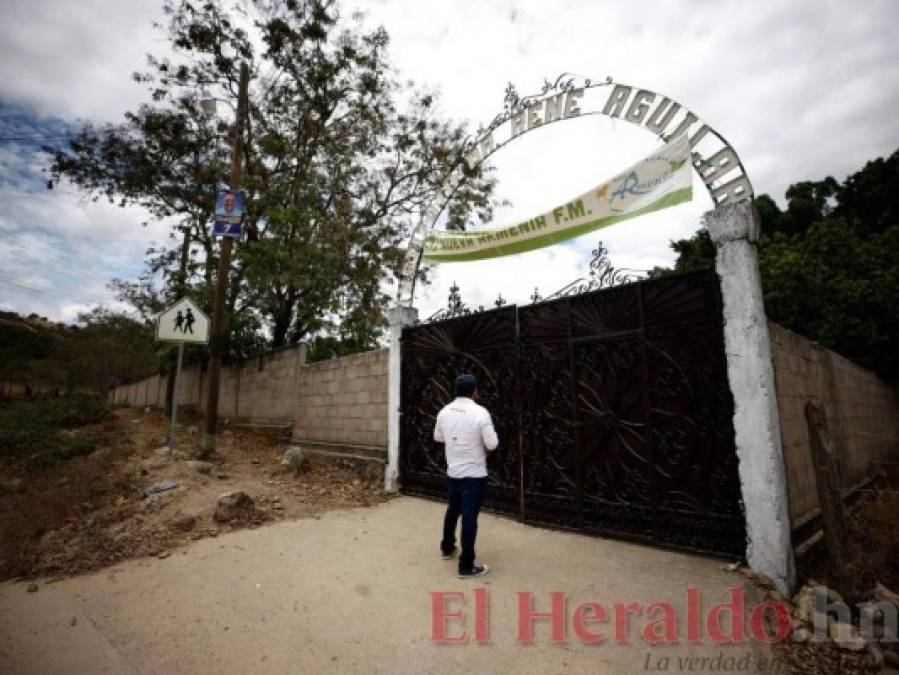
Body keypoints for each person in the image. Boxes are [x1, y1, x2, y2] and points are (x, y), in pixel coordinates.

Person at [434, 373, 499, 577]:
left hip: (454, 471)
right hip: (474, 473)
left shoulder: (444, 412)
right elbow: (492, 444)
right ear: (474, 391)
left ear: (455, 391)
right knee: (470, 516)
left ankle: (447, 548)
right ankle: (466, 565)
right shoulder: (480, 412)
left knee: (453, 509)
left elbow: (438, 437)